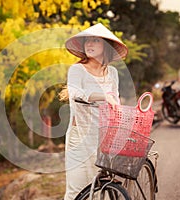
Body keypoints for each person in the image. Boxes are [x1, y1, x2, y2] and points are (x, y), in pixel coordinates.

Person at [61, 23, 128, 200]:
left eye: (95, 41)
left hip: (104, 136)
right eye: (87, 41)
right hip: (80, 137)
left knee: (101, 188)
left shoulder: (112, 73)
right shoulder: (77, 70)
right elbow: (75, 94)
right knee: (77, 190)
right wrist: (104, 96)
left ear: (105, 47)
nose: (89, 44)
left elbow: (116, 101)